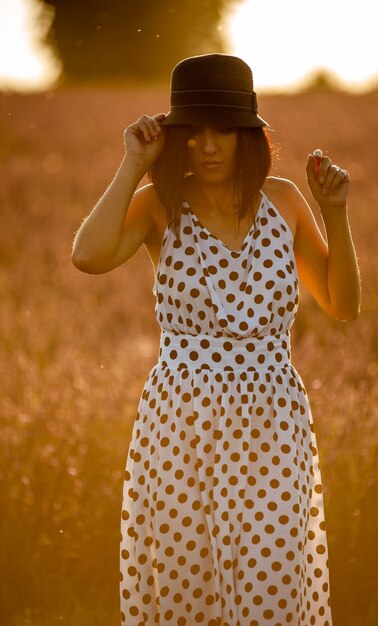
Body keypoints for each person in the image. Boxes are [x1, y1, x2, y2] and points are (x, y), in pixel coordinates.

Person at [72, 53, 360, 626]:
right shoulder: (160, 204)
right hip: (180, 423)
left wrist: (335, 213)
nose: (207, 145)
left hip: (273, 425)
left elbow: (344, 305)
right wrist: (133, 163)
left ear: (248, 135)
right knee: (187, 588)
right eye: (193, 130)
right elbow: (88, 255)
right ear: (175, 136)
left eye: (222, 128)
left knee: (271, 586)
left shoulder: (285, 202)